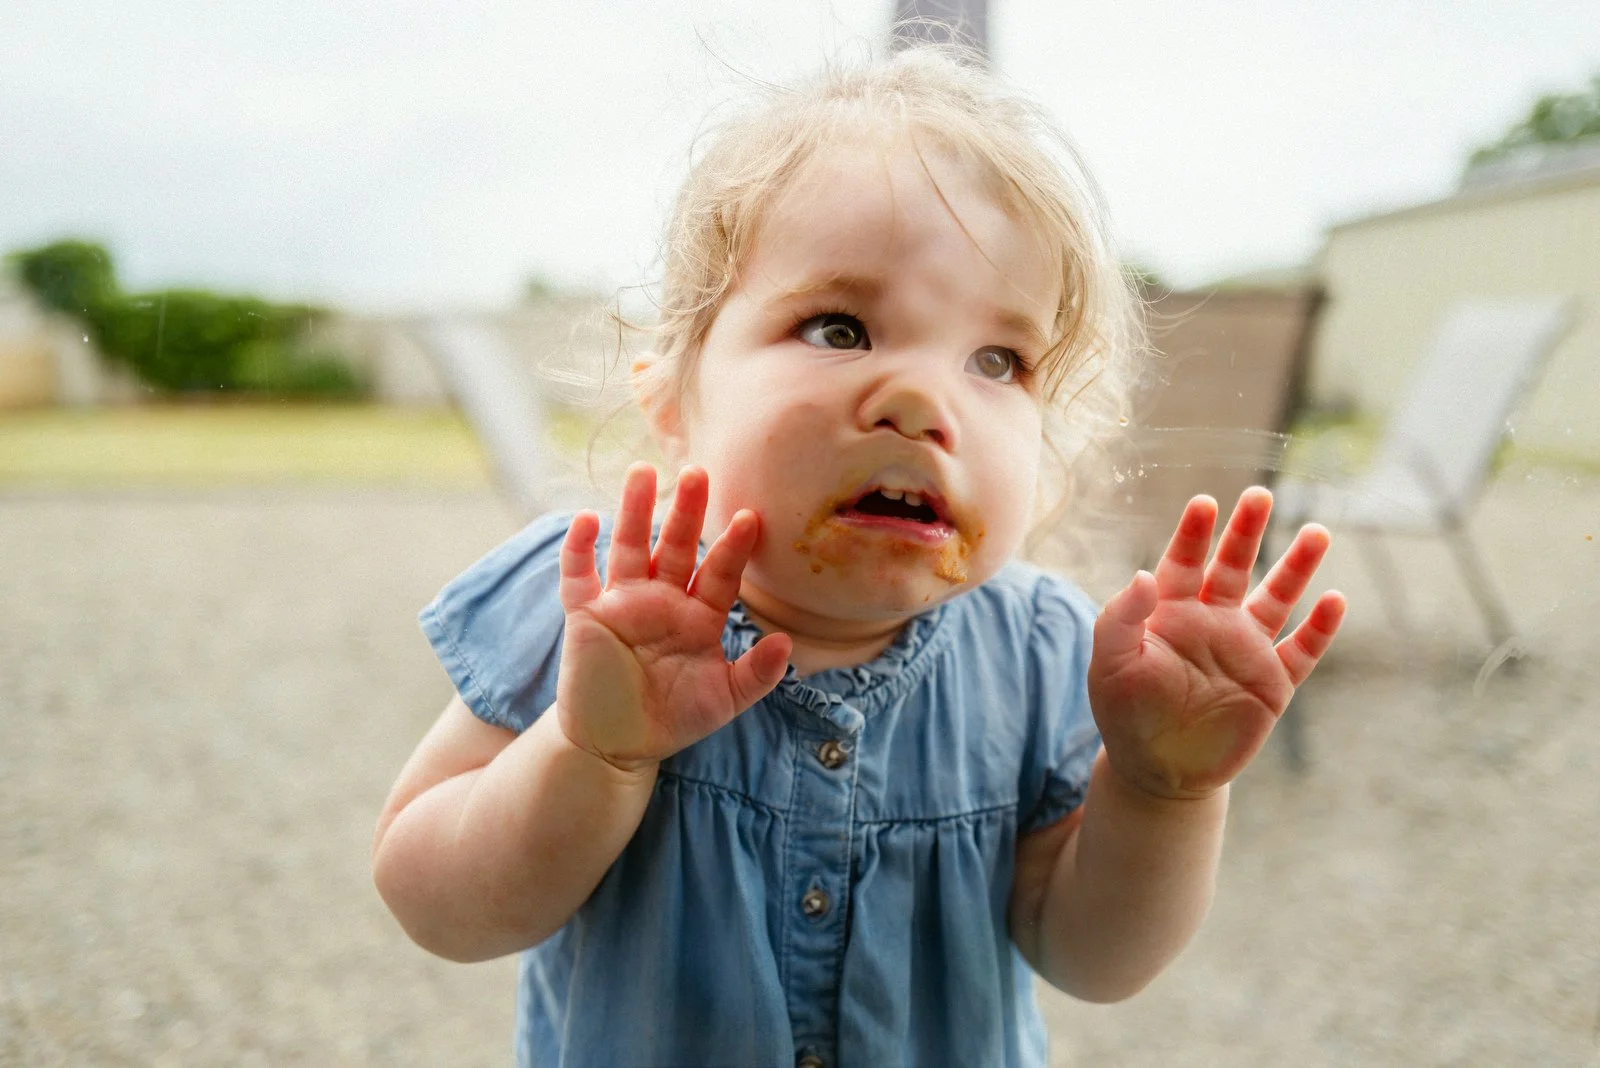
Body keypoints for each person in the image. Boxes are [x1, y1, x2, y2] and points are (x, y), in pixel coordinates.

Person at [371, 43, 1346, 1068]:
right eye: (839, 327)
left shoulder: (1040, 655)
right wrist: (591, 751)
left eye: (997, 360)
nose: (923, 401)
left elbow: (1089, 959)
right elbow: (435, 907)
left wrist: (1160, 794)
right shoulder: (589, 597)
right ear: (673, 401)